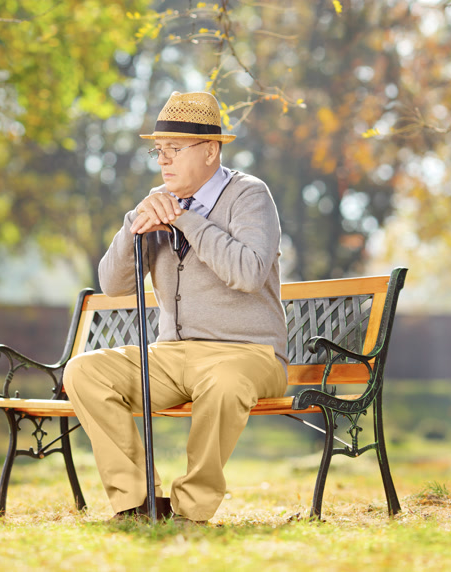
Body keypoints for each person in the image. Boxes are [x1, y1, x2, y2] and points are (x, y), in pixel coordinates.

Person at [63, 91, 288, 525]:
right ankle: (138, 502)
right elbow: (113, 285)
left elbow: (247, 272)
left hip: (249, 354)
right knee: (83, 371)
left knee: (223, 382)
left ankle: (192, 510)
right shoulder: (157, 201)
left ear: (210, 151)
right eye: (159, 150)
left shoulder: (249, 195)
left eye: (175, 149)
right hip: (172, 355)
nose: (163, 161)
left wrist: (185, 219)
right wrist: (136, 226)